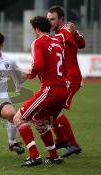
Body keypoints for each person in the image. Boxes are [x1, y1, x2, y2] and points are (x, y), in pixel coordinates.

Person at [13, 16, 68, 167]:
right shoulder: (57, 43)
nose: (32, 32)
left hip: (50, 89)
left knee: (18, 118)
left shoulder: (38, 42)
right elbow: (64, 67)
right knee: (40, 122)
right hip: (63, 90)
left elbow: (37, 65)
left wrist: (27, 74)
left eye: (33, 29)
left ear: (37, 28)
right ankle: (54, 157)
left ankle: (34, 156)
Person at [47, 6, 85, 157]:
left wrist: (71, 33)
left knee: (54, 110)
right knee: (51, 110)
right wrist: (74, 32)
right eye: (48, 19)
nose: (49, 22)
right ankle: (62, 140)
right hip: (64, 78)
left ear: (61, 20)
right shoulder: (62, 33)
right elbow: (82, 44)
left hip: (71, 78)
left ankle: (73, 144)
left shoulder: (63, 33)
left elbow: (76, 44)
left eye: (52, 19)